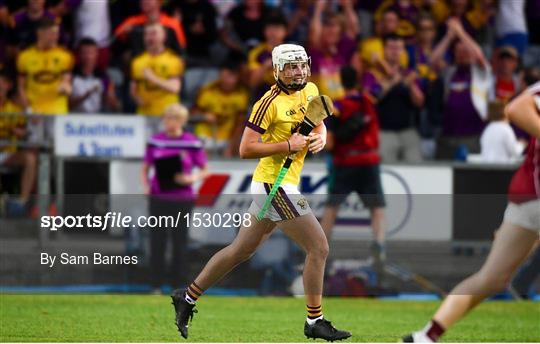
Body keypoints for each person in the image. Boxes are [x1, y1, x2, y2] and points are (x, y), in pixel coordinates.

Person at [171, 43, 351, 342]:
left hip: (284, 183)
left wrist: (321, 137)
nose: (298, 71)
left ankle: (186, 297)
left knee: (240, 251)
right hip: (273, 184)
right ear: (277, 69)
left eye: (302, 65)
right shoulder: (268, 103)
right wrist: (287, 145)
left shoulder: (311, 90)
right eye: (291, 67)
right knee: (319, 247)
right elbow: (245, 149)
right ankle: (314, 320)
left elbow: (318, 123)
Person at [402, 82, 540, 343]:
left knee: (493, 278)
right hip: (532, 192)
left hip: (526, 196)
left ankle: (426, 336)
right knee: (492, 277)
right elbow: (519, 107)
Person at [321, 66, 387, 261]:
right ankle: (379, 247)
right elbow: (381, 87)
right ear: (356, 81)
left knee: (332, 207)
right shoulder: (369, 102)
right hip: (369, 160)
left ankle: (320, 249)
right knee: (377, 208)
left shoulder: (338, 106)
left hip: (345, 163)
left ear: (341, 82)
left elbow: (329, 141)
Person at [141, 103, 208, 292]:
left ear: (182, 121)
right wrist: (146, 186)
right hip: (159, 197)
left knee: (180, 241)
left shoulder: (192, 142)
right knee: (157, 241)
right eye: (167, 117)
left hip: (182, 198)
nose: (168, 122)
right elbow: (145, 168)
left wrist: (190, 178)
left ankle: (179, 284)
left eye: (173, 118)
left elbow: (204, 170)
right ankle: (155, 284)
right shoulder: (155, 141)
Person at [431, 18, 491, 160]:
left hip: (474, 137)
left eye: (466, 51)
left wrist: (461, 32)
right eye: (459, 51)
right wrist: (449, 37)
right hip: (448, 136)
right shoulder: (450, 72)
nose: (463, 54)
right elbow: (433, 61)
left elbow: (478, 55)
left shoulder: (481, 73)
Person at [363, 33, 424, 162]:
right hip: (383, 132)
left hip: (408, 131)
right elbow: (368, 99)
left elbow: (419, 101)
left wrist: (410, 84)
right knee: (386, 169)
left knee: (416, 168)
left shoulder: (408, 73)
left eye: (398, 48)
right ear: (384, 50)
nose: (395, 52)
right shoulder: (373, 74)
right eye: (391, 48)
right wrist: (391, 81)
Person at [17, 17, 73, 115]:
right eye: (52, 33)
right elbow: (21, 87)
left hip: (57, 110)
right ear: (40, 33)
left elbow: (66, 80)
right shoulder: (24, 56)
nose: (55, 37)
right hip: (35, 110)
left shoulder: (65, 56)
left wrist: (66, 86)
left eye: (57, 34)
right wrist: (28, 110)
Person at [193, 61, 249, 157]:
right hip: (206, 134)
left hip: (228, 136)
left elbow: (240, 122)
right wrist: (203, 116)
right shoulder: (207, 90)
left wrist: (231, 145)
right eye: (225, 76)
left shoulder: (241, 95)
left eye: (232, 77)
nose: (228, 80)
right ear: (220, 75)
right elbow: (193, 113)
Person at [0, 69, 36, 213]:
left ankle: (22, 201)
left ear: (8, 86)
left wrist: (19, 132)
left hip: (8, 153)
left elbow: (25, 133)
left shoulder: (14, 108)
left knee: (30, 159)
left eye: (1, 84)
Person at [130, 23, 184, 117]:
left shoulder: (173, 60)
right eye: (146, 34)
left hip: (167, 115)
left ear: (164, 36)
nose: (149, 37)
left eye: (153, 33)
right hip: (144, 114)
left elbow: (175, 87)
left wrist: (152, 78)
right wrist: (136, 98)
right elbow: (133, 88)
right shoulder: (137, 61)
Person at [70, 38, 119, 113]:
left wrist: (110, 98)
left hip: (95, 120)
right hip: (73, 118)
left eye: (91, 53)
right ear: (79, 54)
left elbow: (114, 104)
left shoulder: (103, 77)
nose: (88, 57)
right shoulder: (72, 75)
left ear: (96, 54)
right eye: (84, 53)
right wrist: (88, 94)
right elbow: (68, 105)